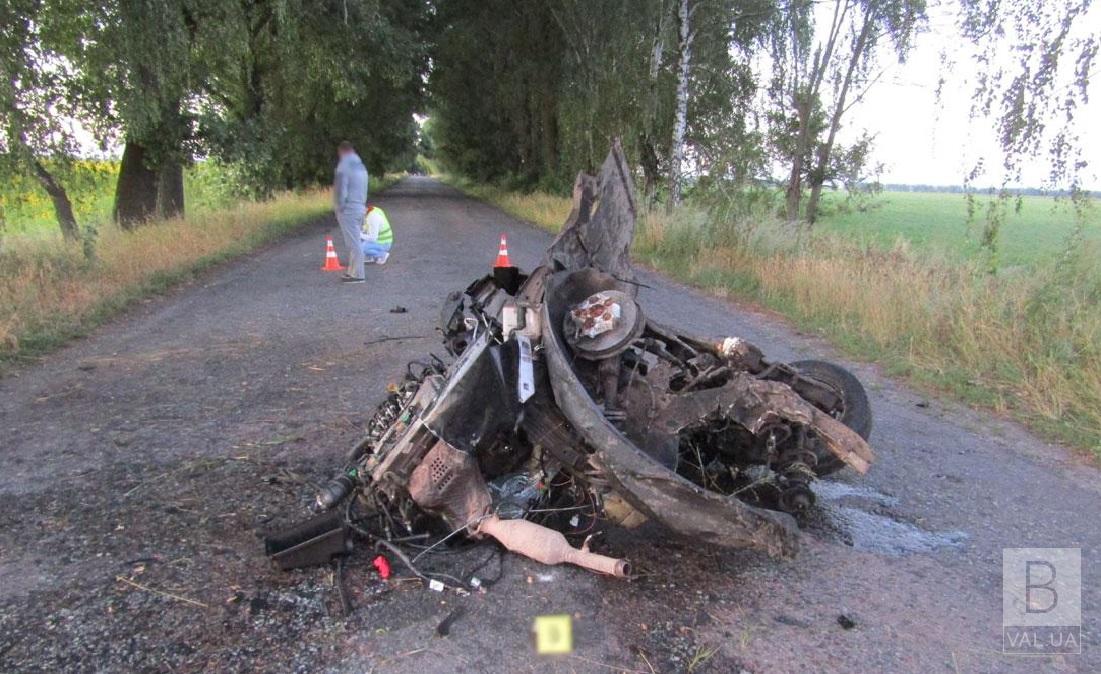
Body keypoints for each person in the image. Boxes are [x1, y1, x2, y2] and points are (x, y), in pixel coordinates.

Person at [332, 141, 369, 283]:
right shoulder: (361, 166)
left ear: (342, 151)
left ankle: (358, 274)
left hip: (349, 208)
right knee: (355, 240)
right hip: (360, 206)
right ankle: (352, 271)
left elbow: (341, 189)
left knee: (353, 243)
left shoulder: (344, 166)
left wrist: (338, 207)